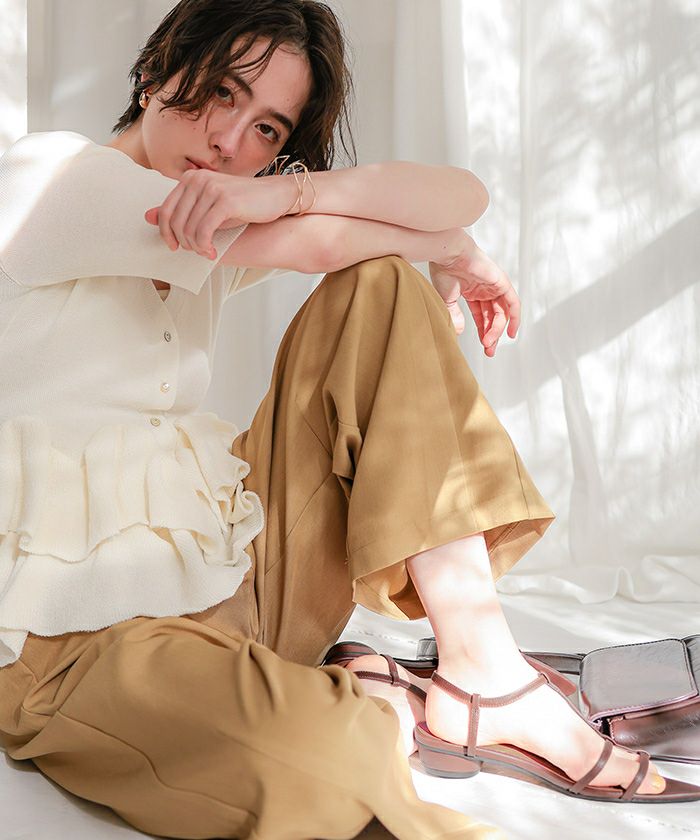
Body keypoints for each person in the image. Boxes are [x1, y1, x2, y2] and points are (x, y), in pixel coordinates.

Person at [1, 1, 696, 838]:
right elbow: (341, 241)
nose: (228, 142)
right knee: (322, 764)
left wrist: (292, 194)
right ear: (153, 73)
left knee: (381, 288)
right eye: (220, 91)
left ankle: (485, 671)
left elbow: (459, 192)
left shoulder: (213, 213)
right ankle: (366, 695)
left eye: (266, 129)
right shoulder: (53, 177)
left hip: (234, 579)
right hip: (72, 636)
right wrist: (452, 249)